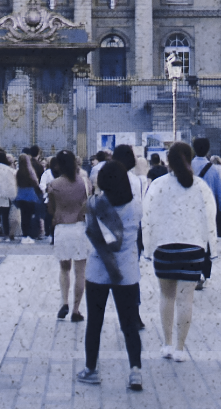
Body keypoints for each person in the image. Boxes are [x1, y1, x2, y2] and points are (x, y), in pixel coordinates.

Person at [144, 142, 218, 363]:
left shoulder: (158, 185)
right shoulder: (200, 186)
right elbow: (210, 217)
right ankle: (180, 348)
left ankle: (166, 343)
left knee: (166, 297)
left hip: (164, 248)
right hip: (193, 249)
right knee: (186, 300)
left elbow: (147, 218)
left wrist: (148, 248)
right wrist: (211, 248)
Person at [75, 160, 145, 392]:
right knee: (129, 324)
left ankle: (91, 369)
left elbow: (92, 234)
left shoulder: (96, 204)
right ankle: (135, 371)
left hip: (98, 269)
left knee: (95, 322)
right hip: (126, 270)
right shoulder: (136, 205)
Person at [45, 150, 91, 321]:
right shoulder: (85, 182)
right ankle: (76, 310)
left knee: (64, 268)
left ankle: (64, 302)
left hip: (62, 228)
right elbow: (88, 204)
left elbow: (50, 209)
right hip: (79, 227)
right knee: (81, 271)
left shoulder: (54, 184)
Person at [189, 137, 221, 242]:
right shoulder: (213, 170)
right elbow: (220, 193)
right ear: (208, 150)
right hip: (210, 212)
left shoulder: (188, 167)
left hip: (192, 211)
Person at [13, 152, 43, 243]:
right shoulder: (30, 171)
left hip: (21, 195)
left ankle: (24, 235)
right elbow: (35, 182)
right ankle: (30, 235)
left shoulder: (18, 172)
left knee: (23, 216)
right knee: (30, 216)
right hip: (30, 195)